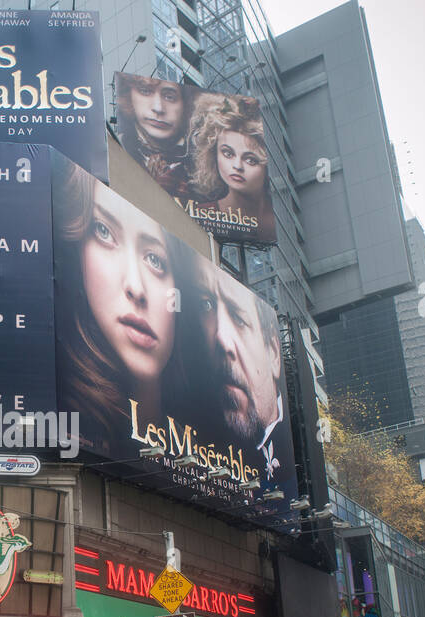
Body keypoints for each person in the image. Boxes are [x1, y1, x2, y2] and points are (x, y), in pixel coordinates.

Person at [53, 160, 194, 452]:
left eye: (155, 260)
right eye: (104, 232)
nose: (136, 287)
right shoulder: (58, 413)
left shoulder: (195, 450)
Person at [190, 260, 293, 491]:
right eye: (206, 305)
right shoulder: (193, 440)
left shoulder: (289, 478)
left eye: (239, 318)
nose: (222, 339)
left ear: (274, 353)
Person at [187, 93, 275, 238]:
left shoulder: (279, 221)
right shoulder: (200, 216)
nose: (237, 166)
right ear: (213, 154)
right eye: (228, 153)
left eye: (250, 160)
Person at [114, 72, 192, 199]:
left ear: (185, 104)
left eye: (169, 97)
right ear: (129, 96)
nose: (158, 108)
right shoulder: (116, 148)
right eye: (145, 91)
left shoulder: (206, 161)